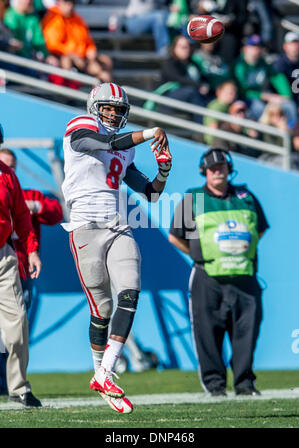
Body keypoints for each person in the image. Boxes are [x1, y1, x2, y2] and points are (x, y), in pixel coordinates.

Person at [61, 82, 172, 413]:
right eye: (107, 108)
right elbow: (100, 142)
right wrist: (148, 132)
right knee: (102, 310)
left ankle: (106, 371)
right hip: (84, 227)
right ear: (95, 107)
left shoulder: (127, 149)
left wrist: (164, 169)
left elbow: (150, 192)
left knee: (130, 292)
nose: (111, 114)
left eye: (118, 110)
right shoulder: (80, 125)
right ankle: (101, 374)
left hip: (118, 224)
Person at [169, 147, 269, 397]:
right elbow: (175, 237)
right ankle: (214, 385)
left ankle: (245, 383)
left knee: (247, 332)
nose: (218, 172)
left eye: (222, 168)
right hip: (207, 277)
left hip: (244, 276)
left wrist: (238, 251)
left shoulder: (245, 196)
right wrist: (199, 255)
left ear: (229, 170)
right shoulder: (194, 199)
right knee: (207, 333)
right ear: (205, 171)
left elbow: (261, 228)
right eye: (213, 169)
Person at [0, 123, 42, 407]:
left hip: (3, 256)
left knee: (17, 325)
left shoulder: (7, 176)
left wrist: (32, 251)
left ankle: (19, 387)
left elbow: (22, 216)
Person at [0, 148, 63, 310]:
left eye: (12, 166)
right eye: (4, 165)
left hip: (21, 271)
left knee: (18, 320)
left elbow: (56, 213)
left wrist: (35, 206)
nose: (9, 170)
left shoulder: (28, 196)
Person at [233, 34, 297, 127]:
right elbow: (242, 90)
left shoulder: (262, 62)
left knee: (289, 105)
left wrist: (286, 96)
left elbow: (277, 76)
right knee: (260, 108)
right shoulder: (239, 65)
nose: (257, 50)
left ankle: (292, 133)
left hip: (259, 96)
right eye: (253, 46)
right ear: (246, 48)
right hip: (243, 98)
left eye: (259, 47)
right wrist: (265, 96)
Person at [42, 0, 113, 82]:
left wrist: (91, 49)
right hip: (63, 57)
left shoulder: (78, 19)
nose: (70, 6)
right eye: (66, 3)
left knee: (105, 63)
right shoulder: (53, 18)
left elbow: (87, 40)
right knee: (67, 61)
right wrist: (73, 53)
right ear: (59, 3)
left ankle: (100, 92)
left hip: (82, 58)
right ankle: (68, 90)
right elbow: (53, 45)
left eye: (72, 3)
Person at [203, 80, 237, 145]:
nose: (233, 95)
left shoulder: (229, 107)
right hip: (215, 143)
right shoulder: (217, 106)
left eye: (234, 93)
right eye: (230, 93)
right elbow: (213, 127)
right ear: (219, 92)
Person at [273, 32, 299, 107]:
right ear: (285, 46)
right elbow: (284, 93)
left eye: (297, 44)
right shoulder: (279, 65)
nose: (294, 47)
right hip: (285, 102)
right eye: (291, 44)